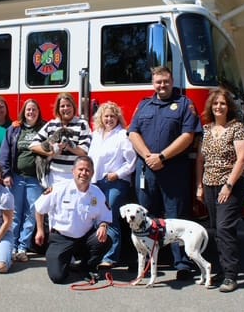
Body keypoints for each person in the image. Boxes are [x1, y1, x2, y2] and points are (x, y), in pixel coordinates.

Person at [128, 66, 201, 279]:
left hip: (173, 170)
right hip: (147, 170)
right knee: (145, 216)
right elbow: (133, 133)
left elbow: (188, 136)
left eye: (166, 81)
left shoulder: (185, 104)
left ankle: (182, 264)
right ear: (153, 83)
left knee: (176, 217)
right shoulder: (144, 105)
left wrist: (161, 157)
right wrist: (148, 157)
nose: (162, 85)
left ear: (172, 81)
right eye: (158, 82)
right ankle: (146, 263)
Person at [195, 87, 244, 293]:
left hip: (231, 186)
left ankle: (230, 276)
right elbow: (200, 160)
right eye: (216, 103)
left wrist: (228, 185)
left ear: (229, 107)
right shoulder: (207, 129)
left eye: (223, 104)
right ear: (211, 106)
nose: (219, 107)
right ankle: (221, 269)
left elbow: (242, 159)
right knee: (217, 230)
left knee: (225, 228)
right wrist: (199, 185)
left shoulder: (237, 128)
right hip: (209, 185)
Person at [34, 156, 112, 284]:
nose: (84, 173)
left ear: (92, 173)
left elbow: (105, 216)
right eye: (80, 169)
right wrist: (40, 230)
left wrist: (103, 225)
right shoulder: (59, 188)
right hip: (61, 238)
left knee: (104, 240)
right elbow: (39, 208)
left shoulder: (97, 193)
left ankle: (86, 267)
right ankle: (64, 260)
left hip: (84, 238)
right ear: (73, 171)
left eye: (87, 170)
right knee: (57, 277)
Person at [88, 101, 136, 267]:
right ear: (101, 118)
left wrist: (117, 174)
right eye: (106, 116)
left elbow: (131, 161)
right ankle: (98, 253)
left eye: (112, 116)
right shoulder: (96, 134)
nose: (109, 119)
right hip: (96, 182)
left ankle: (111, 257)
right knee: (97, 218)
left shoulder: (122, 135)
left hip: (115, 182)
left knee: (110, 217)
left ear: (118, 118)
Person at [0, 98, 46, 262]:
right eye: (28, 110)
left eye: (34, 109)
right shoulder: (14, 129)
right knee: (14, 214)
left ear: (38, 112)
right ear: (24, 112)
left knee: (32, 214)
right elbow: (4, 153)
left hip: (35, 180)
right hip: (16, 178)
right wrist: (6, 174)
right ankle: (11, 246)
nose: (31, 112)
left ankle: (22, 248)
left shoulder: (44, 128)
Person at [30, 92, 91, 186]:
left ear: (73, 107)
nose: (65, 108)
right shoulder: (51, 124)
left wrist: (67, 146)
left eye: (68, 105)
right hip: (54, 176)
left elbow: (84, 152)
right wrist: (51, 153)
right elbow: (33, 146)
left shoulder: (82, 124)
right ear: (58, 109)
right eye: (62, 106)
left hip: (74, 176)